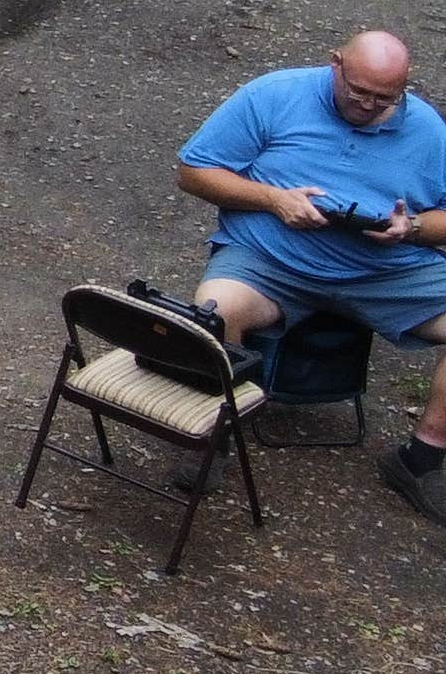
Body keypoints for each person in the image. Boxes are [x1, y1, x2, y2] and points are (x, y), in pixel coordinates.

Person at [176, 30, 446, 527]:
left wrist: (415, 229)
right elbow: (194, 172)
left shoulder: (428, 130)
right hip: (270, 261)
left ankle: (420, 459)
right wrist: (275, 200)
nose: (368, 105)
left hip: (383, 271)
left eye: (384, 98)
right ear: (335, 64)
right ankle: (214, 438)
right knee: (214, 311)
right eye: (358, 90)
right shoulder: (275, 95)